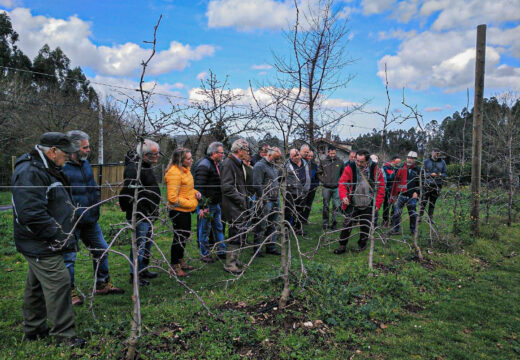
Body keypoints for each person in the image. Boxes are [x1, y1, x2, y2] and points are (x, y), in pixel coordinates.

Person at [12, 132, 86, 347]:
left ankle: (34, 330)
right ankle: (64, 336)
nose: (69, 157)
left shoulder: (49, 168)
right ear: (53, 151)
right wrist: (57, 235)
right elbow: (31, 213)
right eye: (66, 153)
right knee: (60, 283)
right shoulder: (30, 171)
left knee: (35, 287)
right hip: (40, 240)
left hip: (45, 240)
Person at [63, 131, 124, 307]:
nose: (89, 149)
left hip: (90, 218)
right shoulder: (62, 168)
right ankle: (68, 291)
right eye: (85, 147)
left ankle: (102, 284)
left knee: (102, 250)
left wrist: (97, 205)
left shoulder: (85, 164)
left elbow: (92, 188)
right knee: (69, 258)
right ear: (74, 148)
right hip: (71, 221)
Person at [119, 139, 161, 286]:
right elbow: (127, 191)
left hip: (149, 213)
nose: (157, 157)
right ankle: (134, 274)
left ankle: (143, 269)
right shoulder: (134, 168)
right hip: (139, 213)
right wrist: (125, 206)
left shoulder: (146, 166)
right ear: (145, 154)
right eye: (154, 154)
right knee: (139, 245)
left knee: (146, 244)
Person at [334, 149, 385, 254]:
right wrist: (344, 196)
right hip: (352, 202)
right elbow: (342, 183)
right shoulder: (350, 167)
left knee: (365, 225)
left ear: (367, 161)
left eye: (361, 161)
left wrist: (378, 203)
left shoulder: (375, 169)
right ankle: (342, 245)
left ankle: (362, 245)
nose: (358, 163)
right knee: (347, 224)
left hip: (368, 202)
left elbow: (381, 186)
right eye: (357, 160)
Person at [165, 148, 200, 277]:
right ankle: (175, 266)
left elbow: (186, 188)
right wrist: (191, 203)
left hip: (185, 210)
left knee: (184, 236)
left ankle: (180, 260)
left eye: (191, 157)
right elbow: (172, 198)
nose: (192, 160)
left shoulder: (185, 171)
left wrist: (195, 192)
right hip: (178, 211)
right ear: (181, 160)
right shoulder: (174, 173)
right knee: (179, 238)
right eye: (189, 158)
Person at [220, 138, 250, 274]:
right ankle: (230, 264)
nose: (248, 152)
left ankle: (235, 259)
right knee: (235, 234)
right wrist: (241, 199)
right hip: (232, 206)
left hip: (238, 205)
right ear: (239, 151)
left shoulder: (237, 163)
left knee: (240, 233)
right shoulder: (229, 164)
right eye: (246, 150)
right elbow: (227, 187)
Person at [194, 142, 226, 263]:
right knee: (205, 229)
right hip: (207, 205)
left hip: (216, 203)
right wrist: (203, 206)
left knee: (218, 227)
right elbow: (199, 188)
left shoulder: (214, 164)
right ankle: (205, 253)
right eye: (221, 153)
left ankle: (222, 251)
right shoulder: (204, 165)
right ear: (214, 153)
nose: (223, 155)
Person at [252, 147, 282, 256]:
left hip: (275, 199)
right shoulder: (260, 166)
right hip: (265, 200)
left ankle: (271, 247)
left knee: (273, 224)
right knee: (261, 224)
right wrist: (263, 198)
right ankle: (257, 248)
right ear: (269, 155)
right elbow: (256, 184)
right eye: (275, 158)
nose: (276, 160)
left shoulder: (273, 166)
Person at [389, 151, 421, 236]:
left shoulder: (418, 170)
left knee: (413, 214)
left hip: (412, 196)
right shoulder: (400, 168)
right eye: (408, 158)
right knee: (396, 213)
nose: (409, 160)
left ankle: (413, 231)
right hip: (401, 195)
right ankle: (395, 229)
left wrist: (416, 192)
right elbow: (394, 181)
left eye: (412, 158)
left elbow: (421, 183)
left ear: (415, 160)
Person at [285, 148, 311, 236]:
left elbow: (308, 174)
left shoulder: (305, 162)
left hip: (303, 192)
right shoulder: (287, 164)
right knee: (288, 211)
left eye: (298, 155)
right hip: (291, 192)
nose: (297, 157)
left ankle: (298, 228)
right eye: (294, 156)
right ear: (291, 157)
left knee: (300, 211)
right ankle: (285, 230)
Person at [319, 146, 344, 230]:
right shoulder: (323, 161)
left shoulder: (340, 162)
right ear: (328, 153)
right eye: (331, 153)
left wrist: (340, 182)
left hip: (336, 188)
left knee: (336, 206)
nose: (332, 155)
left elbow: (343, 174)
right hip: (326, 187)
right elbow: (319, 173)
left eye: (334, 153)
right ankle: (325, 224)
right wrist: (324, 180)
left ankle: (334, 224)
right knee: (326, 206)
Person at [420, 148, 447, 222]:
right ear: (432, 153)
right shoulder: (426, 161)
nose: (437, 154)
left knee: (433, 202)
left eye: (438, 153)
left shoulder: (442, 162)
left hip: (437, 184)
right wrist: (430, 174)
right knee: (423, 201)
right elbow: (422, 173)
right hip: (427, 184)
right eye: (435, 153)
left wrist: (441, 175)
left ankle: (430, 218)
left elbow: (445, 173)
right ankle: (419, 217)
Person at [381, 155, 402, 227]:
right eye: (398, 162)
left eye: (399, 162)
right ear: (393, 161)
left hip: (396, 190)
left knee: (395, 206)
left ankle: (393, 221)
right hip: (388, 190)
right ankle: (385, 221)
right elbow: (384, 179)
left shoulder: (399, 169)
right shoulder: (385, 167)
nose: (399, 163)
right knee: (386, 206)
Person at [302, 149, 319, 224]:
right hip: (304, 188)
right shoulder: (303, 164)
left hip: (312, 188)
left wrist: (316, 185)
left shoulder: (315, 165)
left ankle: (305, 219)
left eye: (311, 156)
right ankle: (299, 219)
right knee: (302, 204)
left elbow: (317, 176)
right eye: (309, 156)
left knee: (309, 205)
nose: (310, 157)